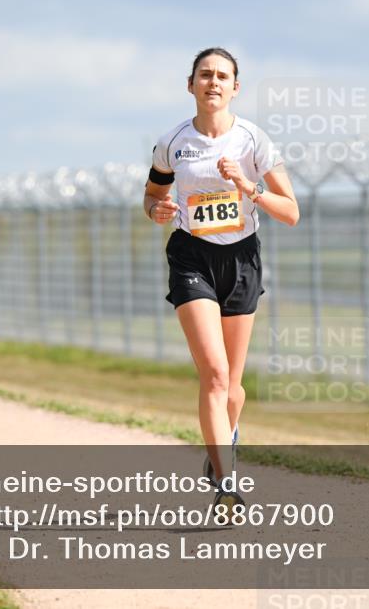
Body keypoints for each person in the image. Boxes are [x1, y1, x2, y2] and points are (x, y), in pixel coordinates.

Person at [144, 48, 299, 517]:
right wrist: (159, 211)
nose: (213, 82)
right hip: (192, 256)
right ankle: (227, 484)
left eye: (222, 76)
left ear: (236, 88)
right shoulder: (173, 143)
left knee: (233, 386)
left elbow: (291, 211)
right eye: (205, 75)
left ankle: (220, 450)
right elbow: (152, 198)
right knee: (212, 374)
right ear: (189, 84)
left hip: (242, 258)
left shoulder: (254, 140)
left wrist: (248, 188)